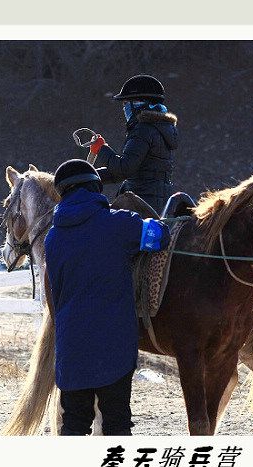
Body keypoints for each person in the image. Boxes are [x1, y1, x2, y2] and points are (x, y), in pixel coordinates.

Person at [44, 159, 168, 436]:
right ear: (95, 187)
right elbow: (159, 236)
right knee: (116, 423)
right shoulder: (118, 224)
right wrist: (153, 223)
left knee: (74, 423)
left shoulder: (53, 238)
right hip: (114, 347)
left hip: (71, 348)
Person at [90, 74, 179, 215]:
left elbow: (124, 169)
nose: (124, 108)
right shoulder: (161, 128)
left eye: (126, 103)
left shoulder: (143, 130)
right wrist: (89, 176)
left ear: (138, 104)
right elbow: (131, 172)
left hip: (140, 203)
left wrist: (101, 149)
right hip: (159, 201)